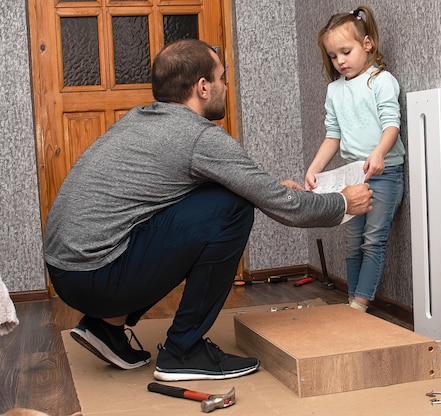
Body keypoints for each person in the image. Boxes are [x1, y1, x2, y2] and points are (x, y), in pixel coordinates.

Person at [44, 39, 373, 382]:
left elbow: (186, 198)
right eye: (222, 77)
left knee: (225, 195)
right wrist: (343, 202)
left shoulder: (141, 120)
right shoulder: (198, 136)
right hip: (95, 275)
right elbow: (285, 209)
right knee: (234, 206)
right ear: (203, 87)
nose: (226, 86)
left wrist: (269, 189)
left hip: (69, 271)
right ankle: (183, 351)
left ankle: (106, 328)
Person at [305, 6, 405, 313]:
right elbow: (332, 136)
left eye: (345, 52)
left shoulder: (381, 80)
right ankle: (352, 300)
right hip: (353, 177)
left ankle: (359, 305)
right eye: (334, 56)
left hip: (385, 173)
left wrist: (378, 153)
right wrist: (314, 169)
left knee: (373, 240)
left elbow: (392, 124)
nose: (340, 61)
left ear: (367, 44)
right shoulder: (334, 91)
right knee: (353, 243)